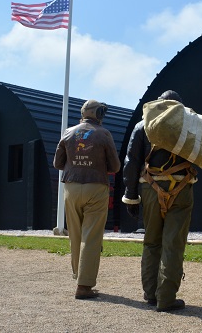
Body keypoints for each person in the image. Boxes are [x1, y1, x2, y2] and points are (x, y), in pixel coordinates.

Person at [122, 90, 197, 312]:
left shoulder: (142, 125)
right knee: (173, 244)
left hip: (150, 188)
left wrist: (131, 196)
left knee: (152, 242)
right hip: (182, 189)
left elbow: (131, 161)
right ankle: (166, 298)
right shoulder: (190, 124)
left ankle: (150, 294)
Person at [53, 99, 121, 300]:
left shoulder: (67, 132)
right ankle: (84, 285)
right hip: (96, 187)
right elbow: (115, 167)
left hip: (71, 187)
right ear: (98, 114)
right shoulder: (104, 134)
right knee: (91, 237)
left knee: (75, 234)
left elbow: (58, 163)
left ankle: (77, 275)